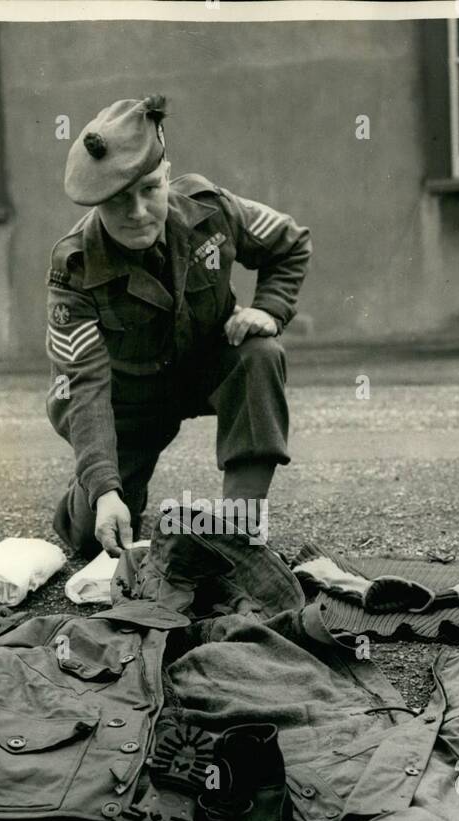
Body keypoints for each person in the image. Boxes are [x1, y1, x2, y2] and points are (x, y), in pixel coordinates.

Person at [45, 94, 311, 557]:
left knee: (261, 352)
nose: (138, 212)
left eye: (149, 189)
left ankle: (240, 522)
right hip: (128, 404)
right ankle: (102, 494)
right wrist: (105, 491)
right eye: (116, 201)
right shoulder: (74, 267)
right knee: (94, 537)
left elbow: (289, 243)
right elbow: (81, 387)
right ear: (95, 203)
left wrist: (268, 308)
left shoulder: (211, 210)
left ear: (166, 174)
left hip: (207, 365)